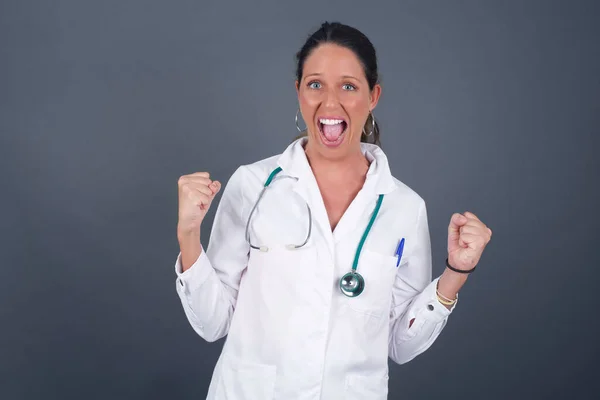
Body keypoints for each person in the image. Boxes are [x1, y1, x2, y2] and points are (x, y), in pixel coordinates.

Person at [174, 21, 492, 400]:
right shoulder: (253, 186)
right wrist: (188, 235)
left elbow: (400, 346)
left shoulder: (404, 207)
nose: (329, 102)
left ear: (373, 96)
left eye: (348, 86)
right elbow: (213, 323)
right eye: (314, 84)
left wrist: (455, 275)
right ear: (298, 93)